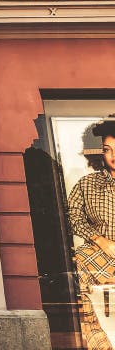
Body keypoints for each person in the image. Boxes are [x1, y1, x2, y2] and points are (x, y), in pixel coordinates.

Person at [69, 117, 115, 349]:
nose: (113, 156)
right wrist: (100, 240)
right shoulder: (87, 185)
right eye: (108, 150)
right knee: (80, 263)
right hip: (98, 260)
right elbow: (72, 217)